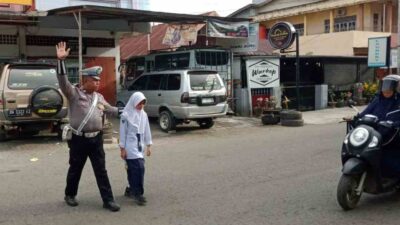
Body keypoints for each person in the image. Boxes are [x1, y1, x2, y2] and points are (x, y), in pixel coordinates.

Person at [55, 42, 121, 212]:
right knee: (75, 168)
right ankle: (70, 195)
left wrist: (128, 110)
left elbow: (111, 110)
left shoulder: (99, 97)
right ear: (85, 80)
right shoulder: (74, 94)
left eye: (98, 80)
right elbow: (63, 82)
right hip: (79, 140)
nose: (98, 83)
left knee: (101, 170)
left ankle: (108, 200)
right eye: (94, 80)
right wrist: (61, 61)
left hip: (96, 140)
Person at [119, 92, 152, 206]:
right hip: (129, 146)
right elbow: (123, 133)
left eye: (143, 103)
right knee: (138, 168)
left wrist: (149, 145)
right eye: (139, 103)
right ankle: (138, 194)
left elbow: (147, 130)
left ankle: (130, 189)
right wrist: (122, 149)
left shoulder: (144, 115)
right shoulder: (125, 115)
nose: (141, 106)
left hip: (139, 146)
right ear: (134, 102)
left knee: (135, 169)